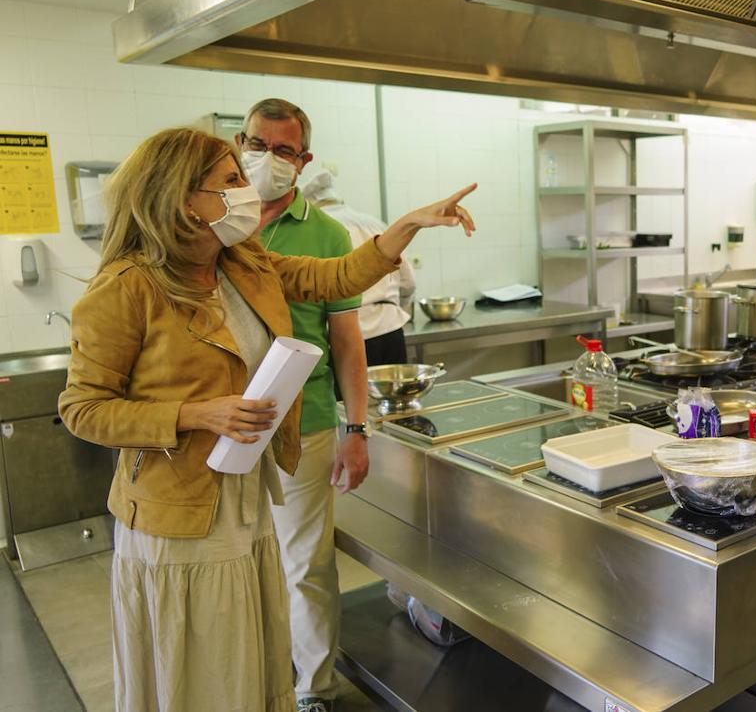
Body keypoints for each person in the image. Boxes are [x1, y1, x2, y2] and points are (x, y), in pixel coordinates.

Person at [58, 127, 475, 712]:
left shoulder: (241, 261)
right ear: (185, 200)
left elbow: (332, 279)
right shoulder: (126, 289)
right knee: (201, 666)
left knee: (246, 654)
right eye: (230, 181)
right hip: (178, 510)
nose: (246, 189)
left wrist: (405, 227)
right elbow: (83, 409)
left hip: (246, 489)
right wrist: (196, 413)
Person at [237, 97, 368, 711]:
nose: (266, 160)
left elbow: (346, 342)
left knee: (305, 568)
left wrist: (357, 428)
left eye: (282, 150)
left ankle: (313, 692)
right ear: (240, 142)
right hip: (226, 426)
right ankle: (253, 684)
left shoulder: (327, 234)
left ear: (303, 159)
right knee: (236, 569)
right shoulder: (216, 222)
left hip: (305, 426)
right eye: (256, 145)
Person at [304, 166, 416, 366]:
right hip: (389, 330)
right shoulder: (375, 223)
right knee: (394, 396)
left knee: (348, 398)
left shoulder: (313, 230)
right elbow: (408, 283)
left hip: (344, 335)